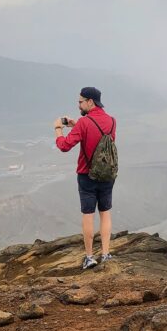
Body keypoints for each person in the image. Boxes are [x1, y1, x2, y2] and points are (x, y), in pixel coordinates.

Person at [53, 86, 117, 270]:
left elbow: (65, 146)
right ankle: (105, 254)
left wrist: (58, 129)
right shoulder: (112, 121)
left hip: (86, 175)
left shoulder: (84, 123)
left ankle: (89, 257)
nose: (78, 105)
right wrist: (77, 125)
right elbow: (102, 140)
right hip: (107, 174)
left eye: (81, 101)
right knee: (105, 213)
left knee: (88, 215)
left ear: (90, 102)